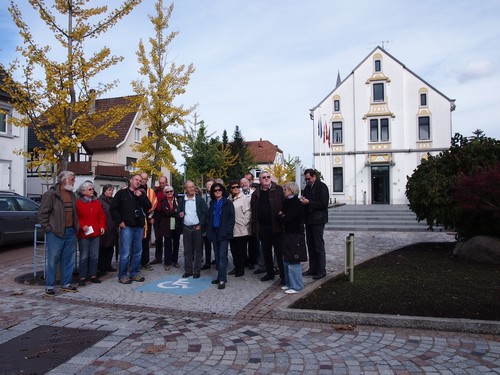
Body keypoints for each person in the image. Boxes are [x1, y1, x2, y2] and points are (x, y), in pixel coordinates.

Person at [38, 170, 80, 296]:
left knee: (69, 259)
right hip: (55, 232)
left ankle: (66, 284)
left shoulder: (72, 195)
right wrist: (48, 229)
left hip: (70, 231)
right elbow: (42, 214)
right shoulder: (51, 194)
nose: (74, 181)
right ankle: (50, 285)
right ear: (64, 180)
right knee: (53, 259)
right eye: (72, 179)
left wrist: (75, 227)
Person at [110, 174, 152, 284]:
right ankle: (122, 275)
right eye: (136, 180)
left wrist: (141, 197)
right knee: (125, 252)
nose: (138, 182)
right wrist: (119, 222)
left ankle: (134, 273)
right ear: (130, 181)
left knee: (138, 251)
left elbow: (149, 206)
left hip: (138, 226)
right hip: (127, 226)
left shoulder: (141, 194)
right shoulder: (121, 193)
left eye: (140, 180)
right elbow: (113, 209)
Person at [250, 171, 285, 283]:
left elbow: (285, 205)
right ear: (259, 180)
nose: (266, 179)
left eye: (268, 177)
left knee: (279, 253)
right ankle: (270, 273)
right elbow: (253, 211)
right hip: (263, 228)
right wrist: (255, 228)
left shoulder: (278, 190)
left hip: (276, 226)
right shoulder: (255, 193)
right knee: (266, 252)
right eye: (263, 177)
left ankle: (283, 276)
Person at [300, 168, 329, 280]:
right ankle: (312, 268)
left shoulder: (322, 187)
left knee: (318, 246)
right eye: (306, 179)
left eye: (309, 179)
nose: (307, 181)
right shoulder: (307, 187)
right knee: (310, 245)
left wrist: (309, 202)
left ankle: (321, 270)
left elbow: (323, 203)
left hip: (318, 220)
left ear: (314, 176)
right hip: (309, 220)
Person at [279, 182, 307, 294]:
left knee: (293, 260)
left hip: (295, 235)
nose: (284, 191)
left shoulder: (296, 203)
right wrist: (282, 216)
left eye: (285, 189)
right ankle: (289, 283)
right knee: (286, 259)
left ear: (291, 190)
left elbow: (286, 218)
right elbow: (281, 216)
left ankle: (297, 286)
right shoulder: (287, 202)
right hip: (287, 233)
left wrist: (282, 216)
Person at [76, 181, 106, 286]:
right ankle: (82, 276)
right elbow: (77, 217)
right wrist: (82, 225)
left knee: (94, 256)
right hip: (84, 234)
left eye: (93, 189)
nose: (92, 191)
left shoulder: (96, 202)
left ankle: (93, 275)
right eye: (90, 189)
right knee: (84, 256)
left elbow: (101, 216)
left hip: (95, 233)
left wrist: (102, 226)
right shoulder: (79, 203)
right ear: (83, 191)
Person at [206, 182, 235, 289]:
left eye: (219, 190)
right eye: (215, 190)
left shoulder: (227, 203)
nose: (217, 192)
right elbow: (209, 217)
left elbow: (231, 219)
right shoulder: (213, 203)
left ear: (222, 191)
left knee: (223, 256)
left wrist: (228, 231)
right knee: (217, 256)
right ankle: (219, 276)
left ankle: (222, 280)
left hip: (224, 233)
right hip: (214, 231)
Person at [177, 180, 208, 279]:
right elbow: (178, 212)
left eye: (193, 186)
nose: (191, 189)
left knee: (198, 250)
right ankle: (188, 271)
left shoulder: (199, 200)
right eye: (189, 187)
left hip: (197, 228)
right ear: (185, 189)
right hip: (186, 228)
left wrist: (200, 224)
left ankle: (197, 271)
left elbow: (205, 213)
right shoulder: (182, 200)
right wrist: (180, 213)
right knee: (187, 251)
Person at [228, 180, 251, 277]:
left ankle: (241, 270)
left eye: (237, 186)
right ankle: (236, 267)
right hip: (232, 229)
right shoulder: (229, 199)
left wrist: (244, 223)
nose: (236, 188)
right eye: (233, 187)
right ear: (230, 189)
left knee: (241, 251)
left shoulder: (244, 198)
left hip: (241, 228)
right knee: (233, 250)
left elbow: (248, 212)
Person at [155, 185, 181, 270]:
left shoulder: (178, 200)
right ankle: (167, 262)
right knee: (167, 244)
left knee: (176, 244)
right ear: (164, 193)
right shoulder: (162, 201)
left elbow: (179, 211)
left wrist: (175, 212)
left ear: (173, 192)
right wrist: (175, 211)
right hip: (166, 226)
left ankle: (175, 261)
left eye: (171, 191)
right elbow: (166, 212)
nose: (169, 193)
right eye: (167, 192)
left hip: (176, 226)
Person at [98, 184, 118, 273]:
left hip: (112, 227)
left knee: (110, 248)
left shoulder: (113, 200)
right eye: (109, 190)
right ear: (104, 191)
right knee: (102, 248)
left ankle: (108, 265)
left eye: (112, 190)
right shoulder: (100, 201)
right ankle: (101, 267)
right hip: (104, 227)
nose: (111, 192)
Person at [139, 172, 158, 271]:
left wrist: (151, 216)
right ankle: (136, 262)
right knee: (136, 242)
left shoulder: (151, 192)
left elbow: (154, 205)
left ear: (147, 180)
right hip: (136, 220)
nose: (143, 180)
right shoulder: (135, 190)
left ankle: (145, 262)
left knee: (146, 241)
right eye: (142, 178)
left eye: (145, 179)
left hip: (147, 219)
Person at [240, 177, 258, 269]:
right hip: (241, 222)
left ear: (249, 183)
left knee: (252, 243)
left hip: (252, 221)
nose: (244, 184)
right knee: (243, 243)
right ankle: (244, 261)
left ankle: (252, 261)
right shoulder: (238, 193)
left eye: (245, 183)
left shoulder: (254, 193)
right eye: (242, 183)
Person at [151, 175, 169, 265]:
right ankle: (158, 258)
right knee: (158, 238)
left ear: (166, 182)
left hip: (166, 217)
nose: (161, 184)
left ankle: (167, 258)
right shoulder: (156, 191)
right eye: (160, 183)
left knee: (167, 238)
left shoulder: (170, 190)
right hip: (157, 217)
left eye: (163, 183)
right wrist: (152, 217)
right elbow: (153, 204)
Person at [201, 179, 214, 270]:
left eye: (211, 184)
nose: (209, 186)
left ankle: (218, 261)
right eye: (207, 185)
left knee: (217, 244)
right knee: (207, 244)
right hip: (206, 225)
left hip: (215, 224)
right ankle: (207, 262)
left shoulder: (217, 195)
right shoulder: (202, 197)